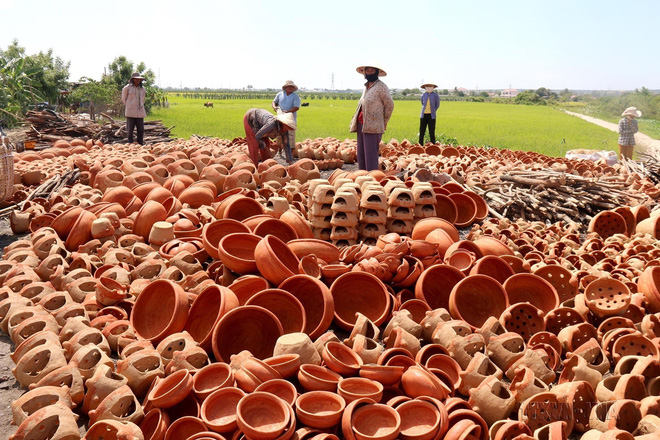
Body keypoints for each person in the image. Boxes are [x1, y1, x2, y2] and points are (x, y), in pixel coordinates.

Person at [349, 63, 394, 171]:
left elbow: (390, 105)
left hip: (374, 125)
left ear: (377, 72)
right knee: (361, 153)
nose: (369, 73)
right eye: (367, 70)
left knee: (370, 154)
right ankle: (362, 176)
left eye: (372, 71)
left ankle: (371, 178)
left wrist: (384, 121)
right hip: (362, 124)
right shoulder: (366, 86)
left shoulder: (381, 87)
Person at [272, 80, 301, 163]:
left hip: (290, 118)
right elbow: (274, 102)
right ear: (285, 87)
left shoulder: (295, 97)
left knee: (291, 136)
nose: (290, 88)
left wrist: (288, 111)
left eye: (292, 87)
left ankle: (290, 154)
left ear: (293, 88)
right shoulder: (279, 94)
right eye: (288, 86)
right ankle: (280, 151)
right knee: (279, 134)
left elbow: (296, 107)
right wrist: (274, 107)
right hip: (280, 118)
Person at [121, 72, 147, 145]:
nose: (138, 81)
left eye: (139, 80)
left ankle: (140, 144)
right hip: (130, 112)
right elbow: (124, 99)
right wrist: (130, 105)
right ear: (133, 80)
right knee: (130, 130)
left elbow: (143, 99)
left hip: (140, 112)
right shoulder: (127, 88)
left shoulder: (143, 89)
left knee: (141, 130)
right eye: (136, 79)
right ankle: (130, 144)